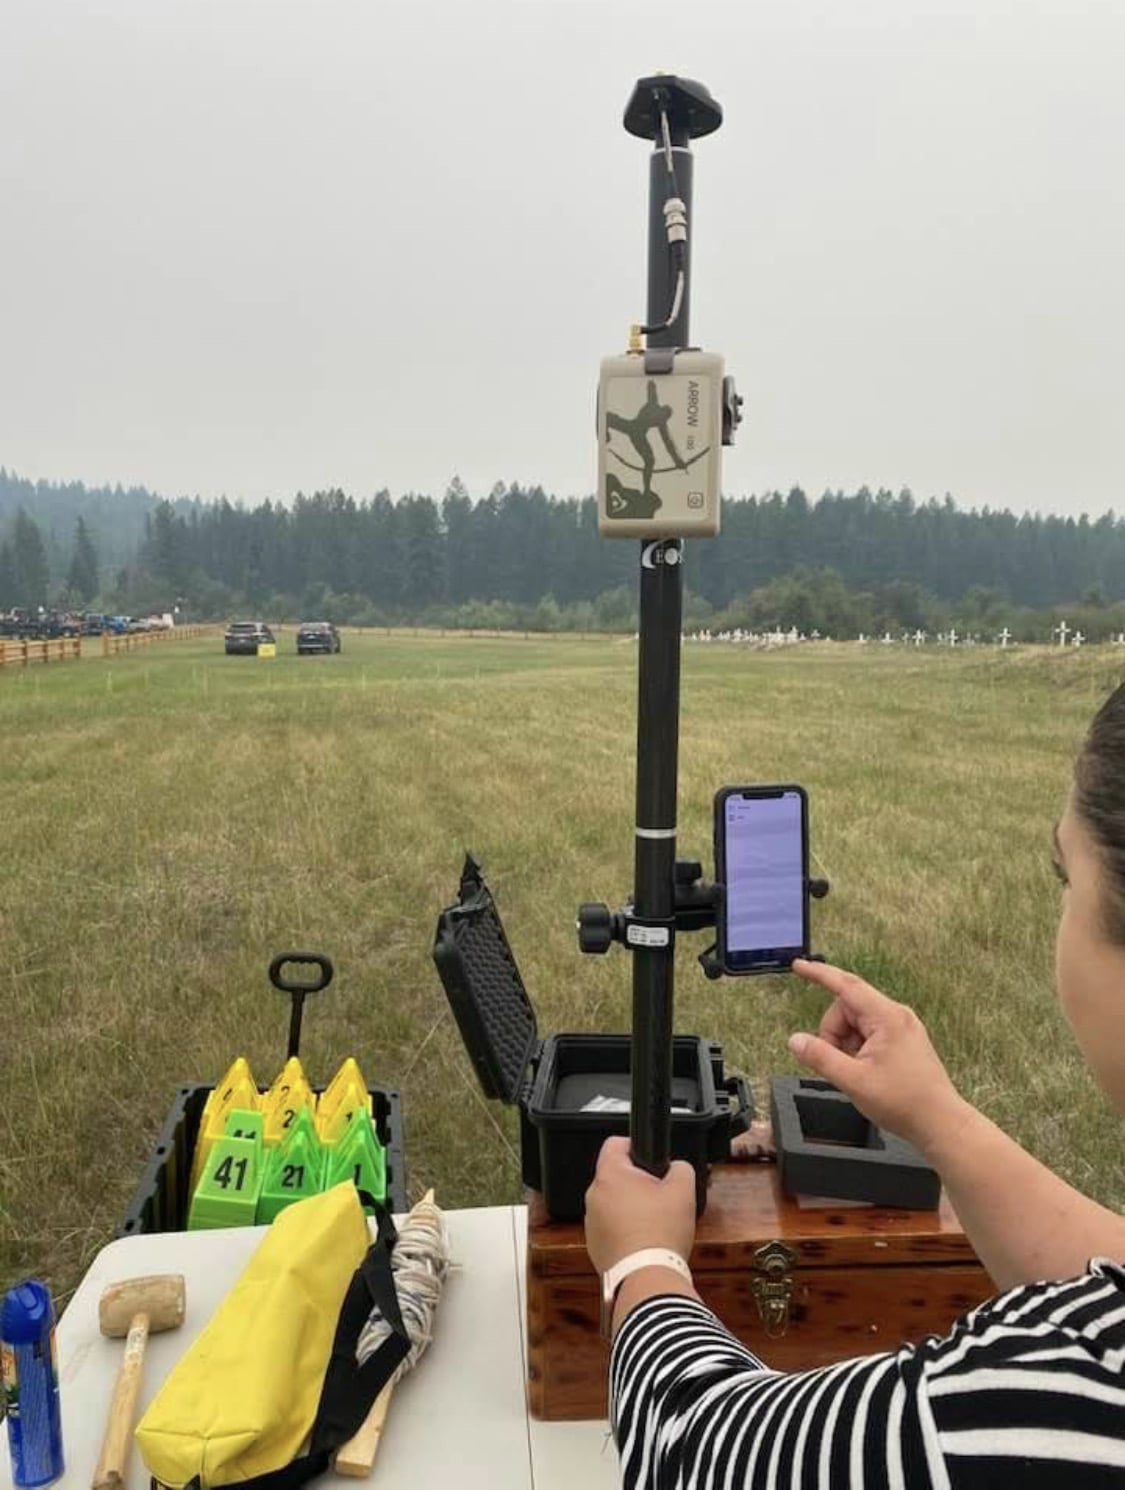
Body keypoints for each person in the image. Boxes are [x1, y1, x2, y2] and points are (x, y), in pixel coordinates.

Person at [585, 683, 1125, 1487]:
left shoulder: (1030, 1405)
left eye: (1064, 880)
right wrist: (935, 1119)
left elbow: (702, 1453)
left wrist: (641, 1263)